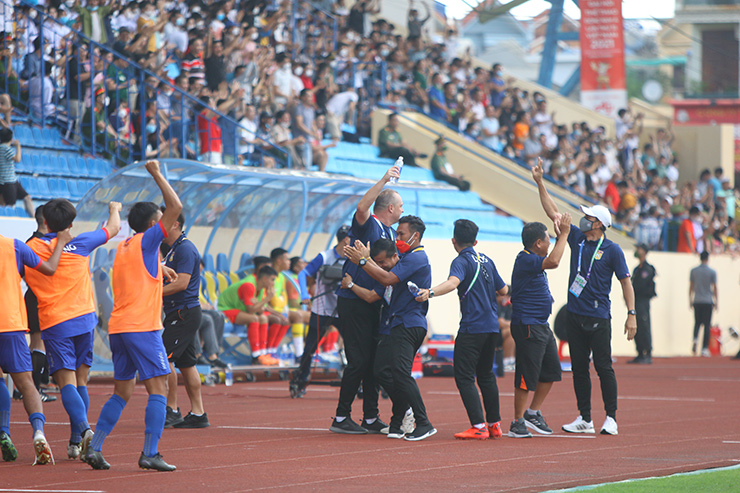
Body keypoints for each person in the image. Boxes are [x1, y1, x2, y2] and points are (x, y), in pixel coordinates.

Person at [84, 160, 181, 471]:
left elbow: (140, 269)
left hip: (119, 327)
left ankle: (95, 447)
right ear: (154, 224)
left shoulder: (126, 245)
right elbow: (175, 205)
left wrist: (160, 267)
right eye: (160, 221)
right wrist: (155, 173)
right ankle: (150, 453)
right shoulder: (150, 239)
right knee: (159, 387)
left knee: (123, 390)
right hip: (143, 327)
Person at [532, 157, 636, 436]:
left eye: (588, 216)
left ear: (599, 224)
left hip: (599, 316)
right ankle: (585, 418)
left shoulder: (613, 250)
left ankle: (611, 417)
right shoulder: (576, 238)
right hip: (575, 314)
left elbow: (626, 282)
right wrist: (540, 182)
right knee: (579, 368)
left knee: (603, 367)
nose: (583, 218)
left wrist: (631, 314)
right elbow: (552, 212)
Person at [25, 199, 121, 461]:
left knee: (65, 382)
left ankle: (85, 431)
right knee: (81, 381)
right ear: (70, 224)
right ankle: (75, 440)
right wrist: (114, 209)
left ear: (44, 221)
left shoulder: (30, 249)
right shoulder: (82, 243)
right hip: (85, 320)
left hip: (56, 323)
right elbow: (113, 228)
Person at [416, 219, 511, 440]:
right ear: (475, 241)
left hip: (472, 326)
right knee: (486, 375)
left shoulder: (461, 261)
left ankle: (478, 425)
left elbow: (452, 283)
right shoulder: (487, 260)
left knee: (464, 376)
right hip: (491, 326)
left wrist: (429, 292)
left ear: (453, 241)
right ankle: (494, 424)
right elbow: (504, 289)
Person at [345, 216, 436, 441]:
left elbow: (386, 278)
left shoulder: (417, 257)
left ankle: (423, 422)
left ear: (416, 235)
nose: (397, 238)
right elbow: (386, 273)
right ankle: (397, 422)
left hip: (408, 322)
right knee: (386, 371)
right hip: (400, 322)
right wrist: (367, 259)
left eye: (401, 234)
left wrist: (363, 263)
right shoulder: (406, 257)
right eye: (396, 234)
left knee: (400, 373)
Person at [330, 165, 402, 435]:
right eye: (401, 206)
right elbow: (362, 208)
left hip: (375, 301)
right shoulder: (369, 225)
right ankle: (341, 416)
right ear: (391, 209)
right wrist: (384, 179)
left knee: (372, 361)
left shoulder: (392, 235)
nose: (403, 210)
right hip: (353, 298)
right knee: (358, 360)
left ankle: (371, 417)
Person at [0, 226, 71, 465]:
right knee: (26, 384)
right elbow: (49, 269)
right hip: (11, 323)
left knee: (0, 380)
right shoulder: (15, 246)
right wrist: (60, 242)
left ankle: (4, 432)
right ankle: (39, 431)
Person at [507, 216, 570, 438]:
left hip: (540, 325)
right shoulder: (525, 259)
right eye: (548, 240)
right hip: (528, 325)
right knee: (526, 376)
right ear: (538, 244)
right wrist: (564, 234)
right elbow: (554, 261)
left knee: (551, 371)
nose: (550, 244)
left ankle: (532, 413)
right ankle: (517, 421)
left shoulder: (533, 260)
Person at [160, 209, 209, 429]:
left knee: (165, 359)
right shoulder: (174, 249)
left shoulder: (185, 249)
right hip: (180, 312)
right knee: (187, 363)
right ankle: (198, 412)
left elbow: (181, 283)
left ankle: (171, 409)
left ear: (175, 224)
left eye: (164, 219)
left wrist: (151, 292)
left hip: (183, 313)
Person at [290, 225, 351, 398]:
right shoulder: (324, 257)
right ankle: (301, 380)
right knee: (310, 347)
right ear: (345, 239)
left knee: (353, 348)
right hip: (322, 310)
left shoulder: (354, 258)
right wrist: (304, 295)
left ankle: (356, 382)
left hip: (344, 310)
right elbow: (303, 274)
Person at [217, 265, 279, 366]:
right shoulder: (249, 285)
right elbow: (251, 310)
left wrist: (259, 304)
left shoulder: (261, 287)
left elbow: (261, 310)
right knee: (254, 318)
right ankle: (256, 356)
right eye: (272, 280)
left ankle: (263, 354)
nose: (273, 283)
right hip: (225, 309)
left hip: (239, 310)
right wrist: (266, 299)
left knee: (263, 318)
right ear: (264, 279)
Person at [629, 244, 656, 364]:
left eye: (639, 249)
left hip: (643, 301)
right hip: (635, 301)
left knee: (644, 326)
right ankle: (640, 352)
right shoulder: (637, 269)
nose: (637, 251)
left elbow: (643, 286)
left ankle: (647, 352)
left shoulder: (647, 269)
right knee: (636, 326)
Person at [0, 127, 33, 217]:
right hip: (8, 181)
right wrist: (18, 146)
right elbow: (17, 159)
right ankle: (33, 217)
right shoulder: (5, 148)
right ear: (11, 138)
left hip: (10, 180)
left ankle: (33, 217)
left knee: (26, 197)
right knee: (10, 204)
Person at [689, 251, 717, 357]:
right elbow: (714, 287)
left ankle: (695, 338)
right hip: (707, 300)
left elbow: (691, 286)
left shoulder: (694, 271)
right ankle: (704, 348)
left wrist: (690, 299)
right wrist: (716, 301)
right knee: (706, 325)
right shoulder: (712, 272)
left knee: (697, 323)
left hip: (697, 300)